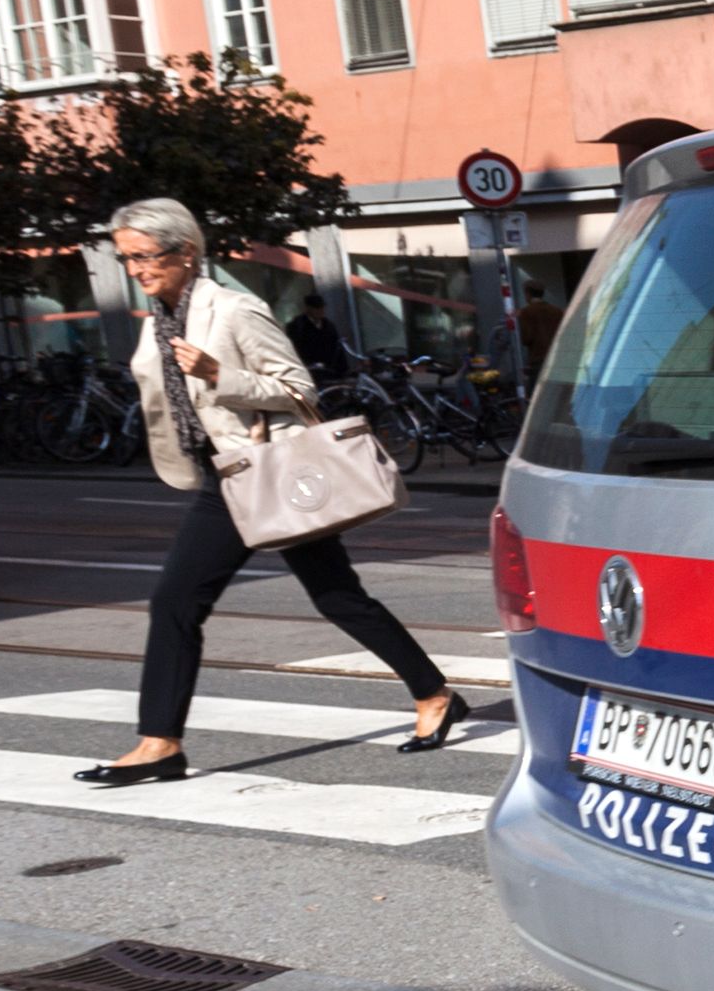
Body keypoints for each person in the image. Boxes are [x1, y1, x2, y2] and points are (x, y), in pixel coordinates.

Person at [75, 201, 468, 788]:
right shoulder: (158, 317)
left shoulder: (233, 309)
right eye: (125, 257)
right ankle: (159, 743)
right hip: (222, 480)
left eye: (144, 256)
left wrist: (218, 375)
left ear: (185, 251)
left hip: (267, 473)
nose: (134, 268)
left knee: (337, 597)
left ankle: (434, 696)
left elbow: (297, 387)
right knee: (176, 601)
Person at [286, 292, 352, 385]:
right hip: (311, 372)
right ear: (308, 309)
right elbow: (295, 349)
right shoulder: (297, 326)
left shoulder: (328, 325)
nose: (320, 311)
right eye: (316, 308)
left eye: (321, 308)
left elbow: (337, 348)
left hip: (330, 370)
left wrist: (344, 371)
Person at [516, 281, 564, 372]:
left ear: (528, 293)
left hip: (538, 358)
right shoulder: (557, 311)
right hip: (557, 356)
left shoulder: (526, 311)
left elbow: (526, 338)